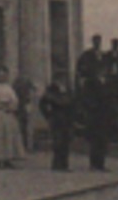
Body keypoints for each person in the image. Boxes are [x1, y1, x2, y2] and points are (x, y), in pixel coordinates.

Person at [75, 35, 110, 171]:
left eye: (99, 42)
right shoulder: (86, 57)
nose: (97, 44)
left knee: (103, 138)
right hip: (93, 110)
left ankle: (101, 163)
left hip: (103, 111)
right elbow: (81, 75)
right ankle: (94, 163)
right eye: (95, 41)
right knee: (94, 137)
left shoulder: (103, 57)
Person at [40, 76, 76, 171]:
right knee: (58, 142)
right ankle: (57, 164)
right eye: (60, 80)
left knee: (66, 141)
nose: (62, 82)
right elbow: (43, 104)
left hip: (67, 119)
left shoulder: (69, 91)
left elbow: (73, 104)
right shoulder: (51, 91)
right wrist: (48, 115)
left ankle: (64, 164)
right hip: (57, 119)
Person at [12, 73, 37, 151]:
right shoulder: (18, 93)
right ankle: (26, 146)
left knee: (25, 128)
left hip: (23, 108)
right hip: (21, 108)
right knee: (24, 128)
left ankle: (26, 146)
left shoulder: (17, 89)